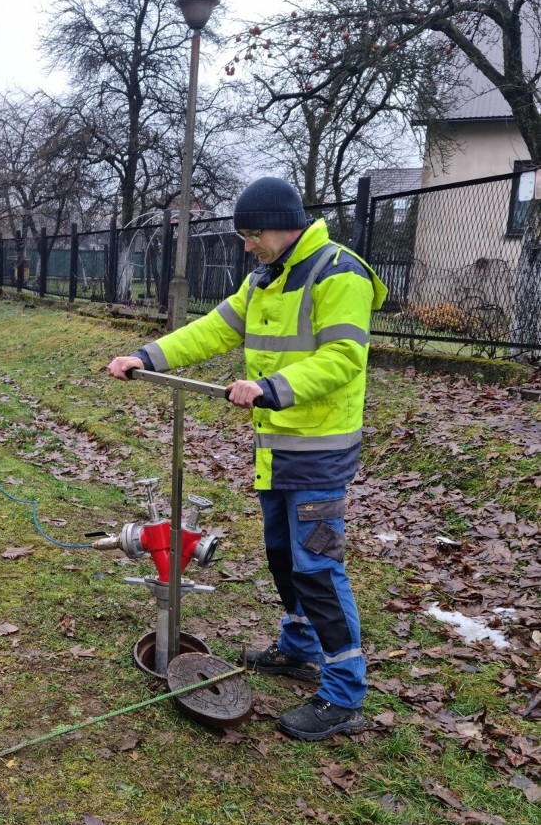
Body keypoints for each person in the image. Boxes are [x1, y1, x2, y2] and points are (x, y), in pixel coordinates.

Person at [107, 177, 387, 741]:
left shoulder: (339, 273)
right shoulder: (266, 279)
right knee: (283, 556)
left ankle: (344, 693)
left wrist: (270, 387)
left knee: (319, 569)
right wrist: (146, 356)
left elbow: (342, 357)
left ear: (279, 226)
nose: (245, 245)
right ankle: (298, 646)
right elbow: (213, 329)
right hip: (277, 448)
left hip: (320, 451)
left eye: (250, 234)